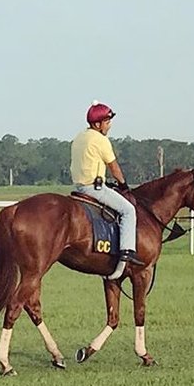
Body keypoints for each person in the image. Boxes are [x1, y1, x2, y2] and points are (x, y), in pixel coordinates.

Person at [70, 102, 143, 266]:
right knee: (128, 210)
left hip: (79, 188)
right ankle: (127, 251)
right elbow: (114, 167)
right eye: (107, 122)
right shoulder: (100, 140)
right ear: (97, 124)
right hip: (94, 189)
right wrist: (123, 185)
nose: (109, 126)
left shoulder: (79, 137)